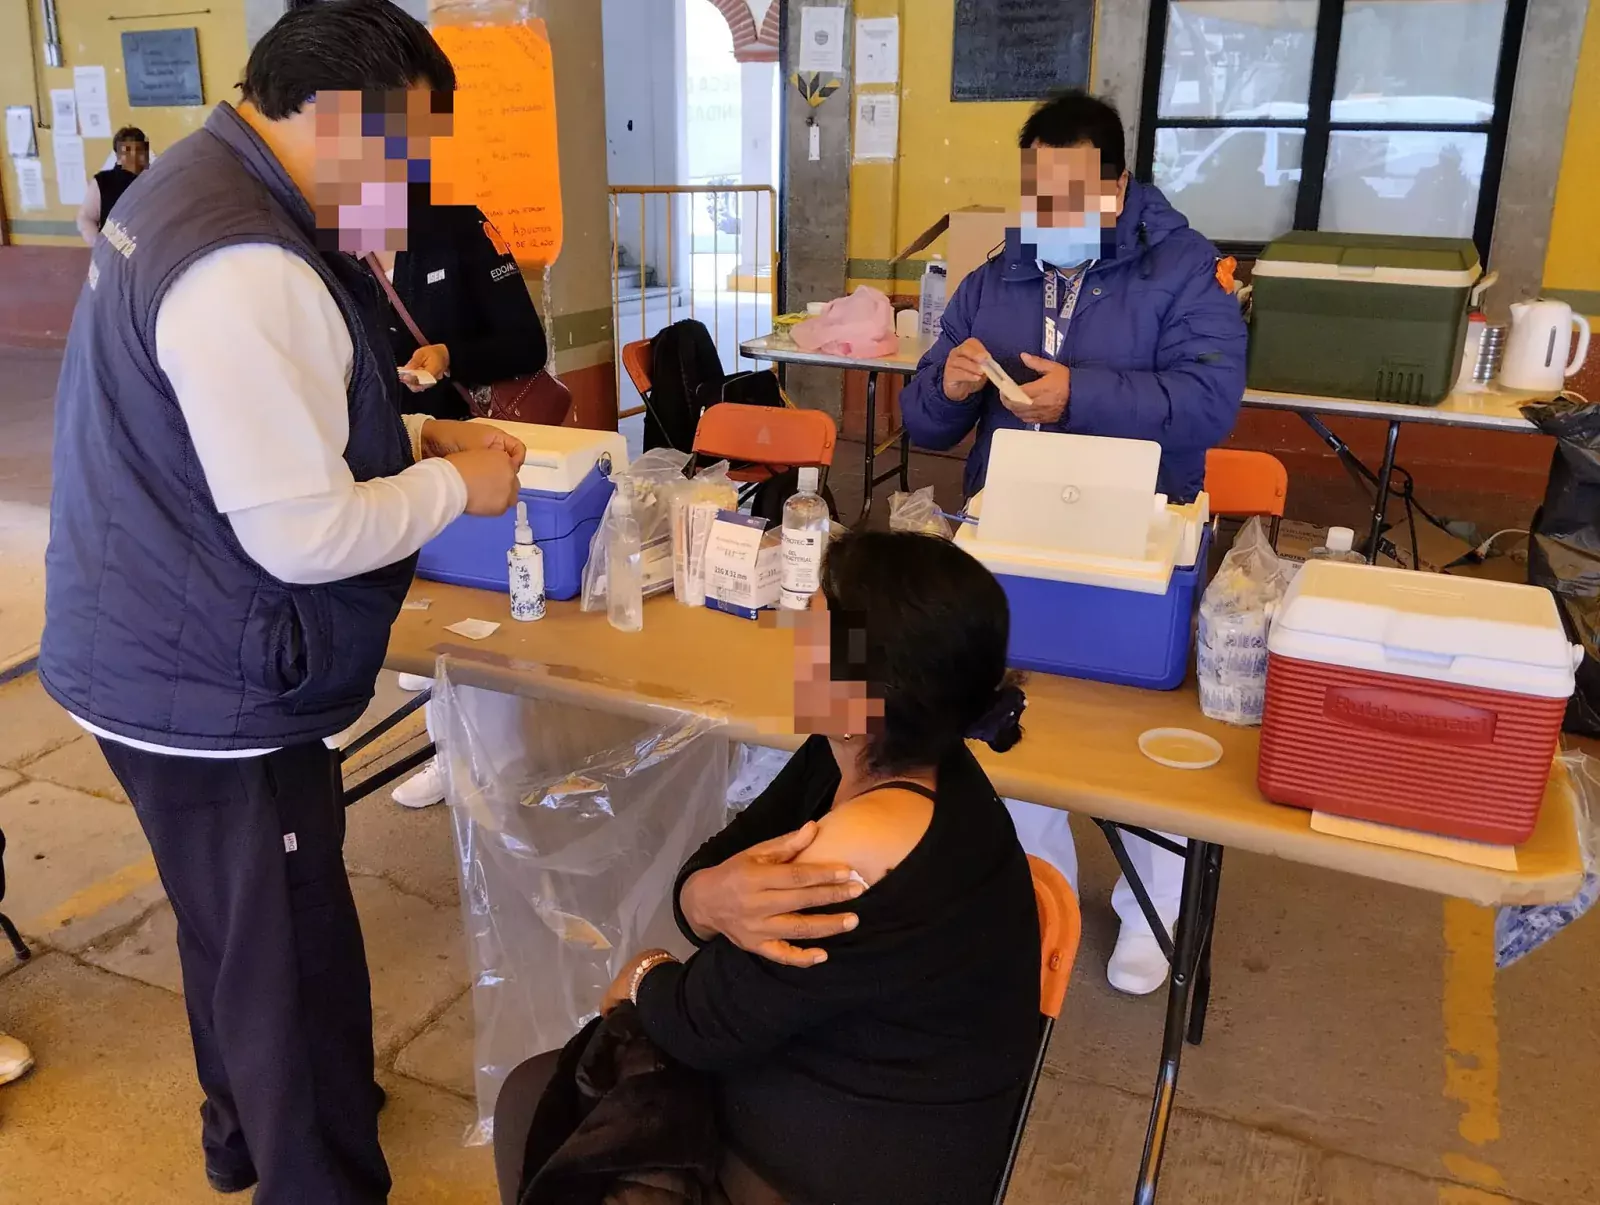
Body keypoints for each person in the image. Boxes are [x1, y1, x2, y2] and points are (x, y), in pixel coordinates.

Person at [38, 4, 525, 1201]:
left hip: (142, 641)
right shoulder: (246, 259)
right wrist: (455, 483)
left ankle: (241, 1133)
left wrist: (409, 430)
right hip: (214, 677)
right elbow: (304, 531)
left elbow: (249, 426)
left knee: (230, 935)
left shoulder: (187, 191)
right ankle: (314, 1177)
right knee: (292, 959)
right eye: (404, 148)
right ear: (337, 117)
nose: (409, 181)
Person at [495, 531, 1041, 1205]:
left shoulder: (855, 855)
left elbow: (701, 1021)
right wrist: (706, 896)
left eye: (811, 621)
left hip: (859, 1156)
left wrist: (642, 973)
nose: (794, 634)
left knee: (543, 1105)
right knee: (559, 1089)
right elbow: (715, 862)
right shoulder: (865, 748)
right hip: (836, 1079)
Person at [899, 91, 1247, 997]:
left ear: (1119, 184)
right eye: (1035, 195)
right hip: (1012, 534)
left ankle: (1154, 908)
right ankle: (1037, 882)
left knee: (1131, 731)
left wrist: (1077, 395)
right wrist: (948, 375)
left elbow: (1209, 404)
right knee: (1006, 721)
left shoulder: (1182, 267)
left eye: (1070, 195)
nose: (1047, 216)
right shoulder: (998, 274)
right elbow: (925, 425)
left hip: (1135, 534)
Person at [378, 193, 549, 808]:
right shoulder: (327, 246)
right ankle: (447, 746)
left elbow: (528, 344)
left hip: (471, 458)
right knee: (420, 620)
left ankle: (479, 763)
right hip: (385, 460)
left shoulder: (455, 226)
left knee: (476, 618)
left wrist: (451, 357)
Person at [75, 126, 151, 244]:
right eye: (127, 150)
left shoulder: (152, 180)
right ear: (118, 155)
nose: (134, 156)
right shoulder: (103, 181)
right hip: (113, 250)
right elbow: (85, 218)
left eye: (139, 150)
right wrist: (100, 246)